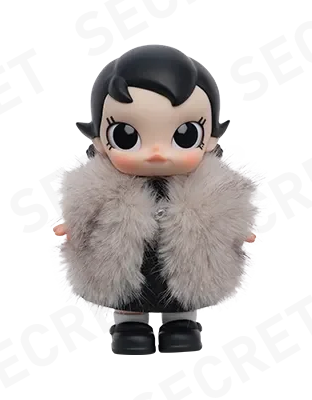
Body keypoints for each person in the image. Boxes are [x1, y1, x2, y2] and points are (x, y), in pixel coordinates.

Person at [52, 44, 262, 355]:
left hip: (190, 263)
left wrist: (239, 229)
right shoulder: (98, 187)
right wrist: (72, 225)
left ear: (210, 139)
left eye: (185, 135)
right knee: (125, 294)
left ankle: (182, 325)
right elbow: (84, 209)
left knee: (185, 296)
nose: (156, 153)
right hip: (120, 264)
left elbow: (229, 211)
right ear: (99, 140)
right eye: (126, 135)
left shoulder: (214, 187)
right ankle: (129, 326)